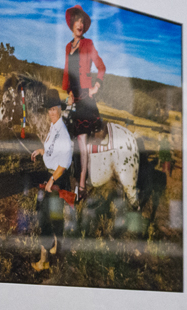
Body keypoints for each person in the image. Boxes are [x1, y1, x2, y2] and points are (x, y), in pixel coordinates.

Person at [62, 4, 106, 199]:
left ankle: (81, 186)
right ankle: (65, 176)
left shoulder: (88, 44)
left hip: (86, 101)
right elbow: (67, 72)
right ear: (72, 24)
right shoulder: (67, 47)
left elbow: (101, 67)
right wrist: (69, 92)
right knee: (65, 136)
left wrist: (96, 86)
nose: (79, 24)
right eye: (77, 21)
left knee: (82, 143)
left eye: (82, 21)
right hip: (74, 98)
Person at [31, 89, 73, 196]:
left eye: (54, 109)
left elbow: (63, 164)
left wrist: (52, 180)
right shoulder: (53, 127)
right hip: (50, 175)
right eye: (49, 110)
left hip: (57, 179)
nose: (51, 113)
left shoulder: (63, 133)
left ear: (60, 109)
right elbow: (53, 151)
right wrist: (41, 151)